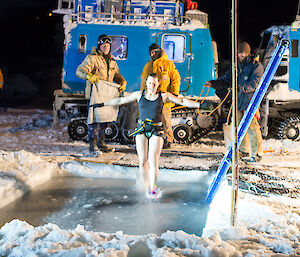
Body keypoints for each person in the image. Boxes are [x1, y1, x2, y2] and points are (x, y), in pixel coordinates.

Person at [99, 73, 199, 196]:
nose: (152, 85)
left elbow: (181, 100)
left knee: (153, 161)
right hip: (141, 129)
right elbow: (121, 100)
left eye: (154, 83)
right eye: (150, 83)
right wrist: (103, 104)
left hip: (156, 130)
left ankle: (153, 188)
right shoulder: (139, 94)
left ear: (158, 85)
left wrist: (197, 104)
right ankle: (145, 185)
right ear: (146, 83)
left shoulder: (163, 96)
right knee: (142, 161)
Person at [205, 42, 264, 162]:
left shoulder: (256, 66)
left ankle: (257, 153)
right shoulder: (236, 66)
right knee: (238, 126)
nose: (240, 54)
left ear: (248, 53)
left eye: (242, 52)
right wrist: (214, 83)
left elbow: (255, 83)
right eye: (239, 52)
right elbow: (227, 80)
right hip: (237, 101)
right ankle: (243, 150)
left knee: (252, 127)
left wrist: (240, 87)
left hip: (250, 101)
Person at [76, 34, 127, 154]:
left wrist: (122, 81)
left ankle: (102, 143)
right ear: (100, 46)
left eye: (108, 45)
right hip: (95, 95)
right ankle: (92, 145)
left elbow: (117, 75)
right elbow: (79, 71)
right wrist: (89, 76)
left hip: (107, 95)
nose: (106, 48)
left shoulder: (112, 61)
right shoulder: (92, 58)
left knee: (105, 120)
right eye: (104, 45)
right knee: (94, 121)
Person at [140, 43, 181, 149]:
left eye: (154, 52)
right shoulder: (149, 65)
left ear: (158, 52)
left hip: (164, 98)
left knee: (165, 119)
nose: (152, 54)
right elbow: (144, 80)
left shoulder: (168, 64)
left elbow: (176, 78)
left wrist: (174, 93)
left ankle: (168, 140)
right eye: (150, 53)